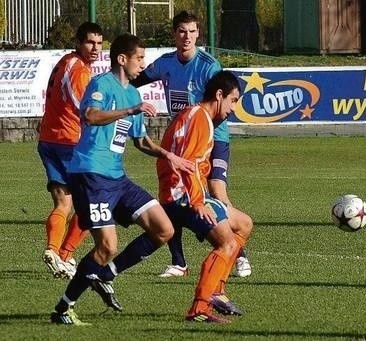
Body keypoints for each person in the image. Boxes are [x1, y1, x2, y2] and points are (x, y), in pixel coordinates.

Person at [50, 33, 194, 325]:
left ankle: (106, 274)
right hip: (91, 174)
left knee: (163, 228)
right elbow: (90, 116)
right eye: (139, 58)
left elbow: (141, 142)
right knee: (107, 246)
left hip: (117, 177)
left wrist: (170, 156)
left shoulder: (134, 95)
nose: (143, 64)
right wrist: (129, 110)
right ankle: (63, 309)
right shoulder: (102, 84)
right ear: (122, 59)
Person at [131, 10, 252, 278]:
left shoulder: (209, 66)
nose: (187, 37)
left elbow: (221, 104)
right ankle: (178, 262)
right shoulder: (164, 63)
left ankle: (238, 253)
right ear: (174, 34)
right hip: (181, 141)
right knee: (171, 197)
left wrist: (204, 132)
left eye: (192, 32)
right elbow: (133, 80)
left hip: (213, 137)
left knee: (217, 192)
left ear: (198, 34)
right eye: (182, 31)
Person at [157, 70, 253, 323]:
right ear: (219, 95)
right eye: (233, 101)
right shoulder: (200, 118)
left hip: (178, 192)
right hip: (184, 196)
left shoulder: (194, 115)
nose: (233, 109)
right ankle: (200, 308)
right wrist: (198, 203)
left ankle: (217, 291)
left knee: (243, 224)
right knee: (227, 243)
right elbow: (189, 163)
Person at [37, 22, 103, 279]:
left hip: (49, 140)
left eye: (99, 43)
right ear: (78, 42)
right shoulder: (80, 71)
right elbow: (85, 111)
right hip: (70, 143)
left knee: (63, 202)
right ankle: (65, 254)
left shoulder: (66, 61)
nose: (95, 48)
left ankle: (54, 250)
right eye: (90, 42)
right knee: (93, 203)